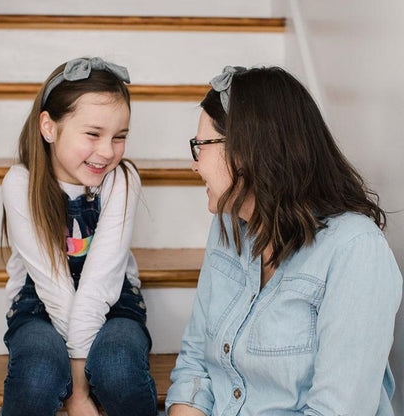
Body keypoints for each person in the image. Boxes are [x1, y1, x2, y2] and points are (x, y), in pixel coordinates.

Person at [165, 66, 403, 416]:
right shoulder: (229, 226)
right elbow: (195, 365)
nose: (195, 165)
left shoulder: (355, 251)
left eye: (201, 146)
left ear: (247, 151)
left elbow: (336, 410)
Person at [1, 57, 157, 416]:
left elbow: (102, 281)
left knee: (119, 365)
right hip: (39, 306)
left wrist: (78, 383)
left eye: (120, 137)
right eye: (93, 134)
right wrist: (76, 390)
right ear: (49, 127)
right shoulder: (21, 184)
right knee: (37, 373)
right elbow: (53, 286)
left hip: (114, 304)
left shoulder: (122, 180)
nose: (107, 151)